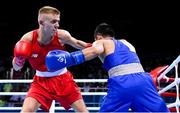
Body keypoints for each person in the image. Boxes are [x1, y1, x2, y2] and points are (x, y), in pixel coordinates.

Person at [46, 23, 170, 112]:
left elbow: (95, 50)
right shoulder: (127, 43)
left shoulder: (101, 42)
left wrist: (69, 59)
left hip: (123, 83)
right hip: (144, 81)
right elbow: (87, 46)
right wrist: (70, 40)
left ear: (98, 37)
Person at [12, 6, 90, 113]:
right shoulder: (28, 39)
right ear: (41, 22)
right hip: (40, 82)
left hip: (64, 80)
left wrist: (99, 45)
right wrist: (19, 60)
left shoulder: (62, 36)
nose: (57, 25)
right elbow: (16, 68)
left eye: (58, 21)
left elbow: (79, 44)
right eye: (53, 22)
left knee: (83, 112)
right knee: (26, 111)